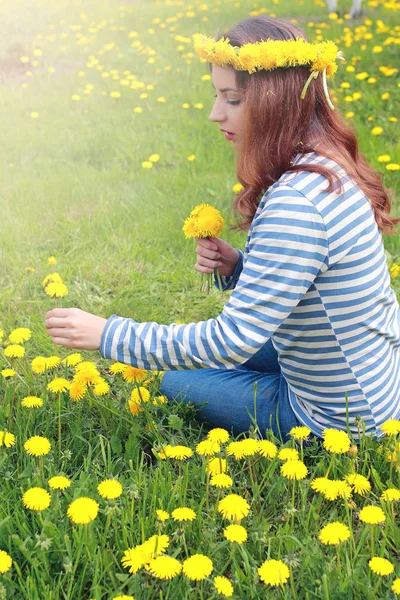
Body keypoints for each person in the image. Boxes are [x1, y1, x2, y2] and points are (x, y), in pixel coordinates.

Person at [44, 15, 400, 443]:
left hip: (346, 419)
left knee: (177, 381)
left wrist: (107, 333)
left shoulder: (296, 202)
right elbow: (313, 278)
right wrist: (240, 267)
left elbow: (232, 339)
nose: (215, 114)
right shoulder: (325, 165)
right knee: (214, 356)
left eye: (231, 98)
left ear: (276, 101)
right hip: (371, 375)